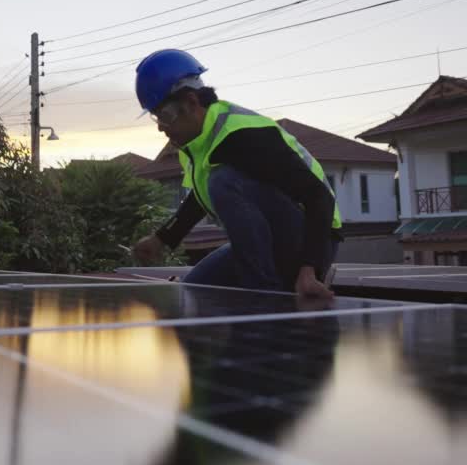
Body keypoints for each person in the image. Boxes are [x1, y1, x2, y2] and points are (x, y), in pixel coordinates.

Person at [129, 49, 339, 299]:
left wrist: (309, 270)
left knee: (223, 180)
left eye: (166, 115)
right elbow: (200, 198)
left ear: (192, 103)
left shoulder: (244, 135)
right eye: (156, 117)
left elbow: (320, 197)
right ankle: (259, 288)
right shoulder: (198, 142)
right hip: (270, 243)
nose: (162, 127)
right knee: (194, 290)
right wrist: (162, 239)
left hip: (311, 241)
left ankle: (263, 294)